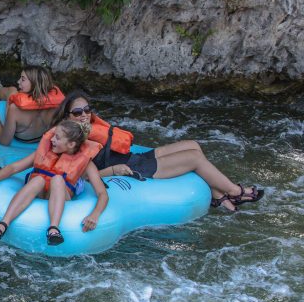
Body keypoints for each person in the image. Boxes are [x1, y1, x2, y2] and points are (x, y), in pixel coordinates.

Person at [50, 90, 264, 212]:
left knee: (192, 145)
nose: (85, 115)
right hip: (133, 168)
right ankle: (236, 192)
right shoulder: (71, 140)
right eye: (78, 112)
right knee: (194, 158)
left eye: (87, 110)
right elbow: (82, 176)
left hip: (135, 157)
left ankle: (218, 195)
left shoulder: (88, 129)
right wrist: (114, 170)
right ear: (68, 116)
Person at [0, 120, 108, 245]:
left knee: (57, 179)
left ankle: (53, 228)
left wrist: (95, 215)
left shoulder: (86, 163)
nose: (52, 140)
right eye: (53, 136)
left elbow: (103, 194)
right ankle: (4, 222)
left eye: (57, 138)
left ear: (71, 144)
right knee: (39, 179)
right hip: (39, 191)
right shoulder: (43, 153)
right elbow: (14, 168)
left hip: (61, 195)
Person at [0, 66, 65, 144]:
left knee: (12, 90)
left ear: (34, 83)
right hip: (40, 138)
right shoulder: (56, 105)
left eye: (23, 79)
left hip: (22, 139)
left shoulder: (15, 108)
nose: (18, 81)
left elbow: (4, 141)